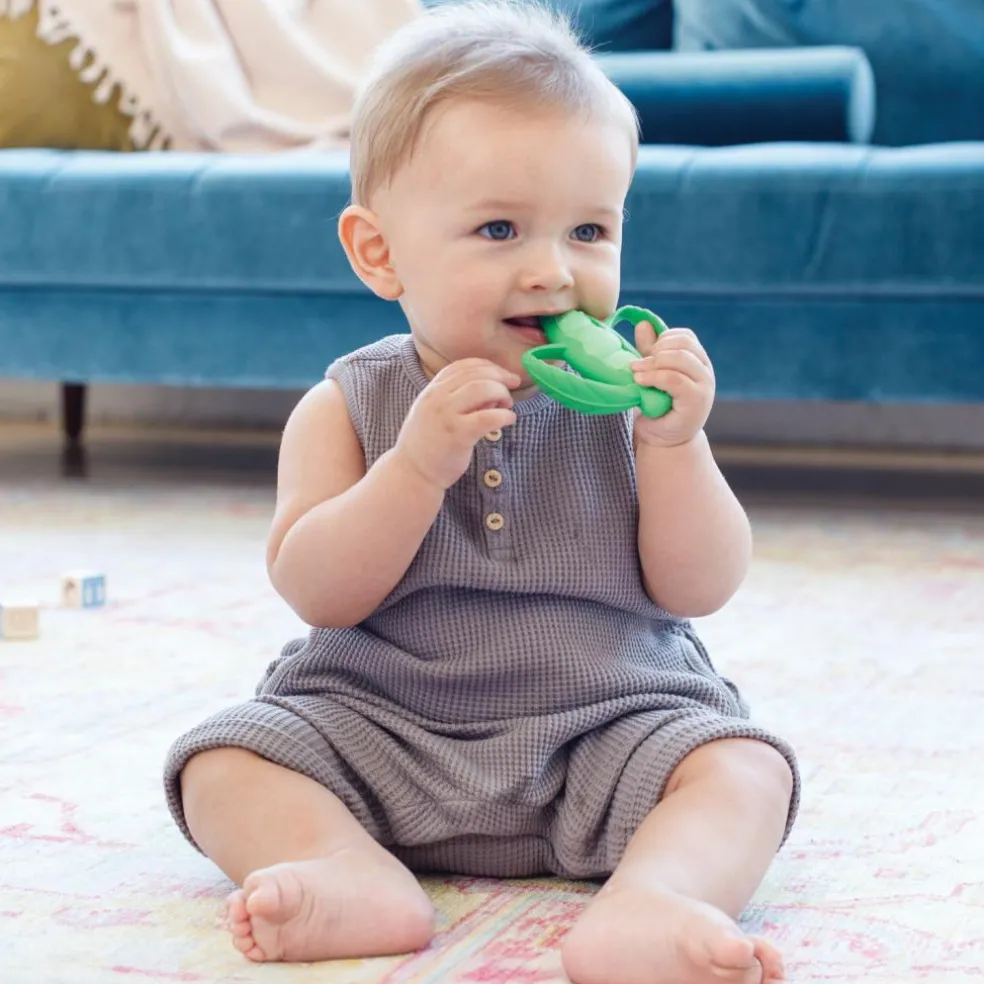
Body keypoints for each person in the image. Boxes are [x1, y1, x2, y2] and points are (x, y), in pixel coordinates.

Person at [163, 2, 801, 981]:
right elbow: (319, 593)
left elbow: (699, 585)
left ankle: (655, 898)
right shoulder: (344, 407)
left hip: (610, 725)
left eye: (589, 230)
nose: (552, 271)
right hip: (382, 728)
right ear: (380, 253)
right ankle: (343, 868)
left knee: (745, 768)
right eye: (499, 228)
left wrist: (678, 445)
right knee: (222, 761)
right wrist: (414, 468)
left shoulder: (628, 404)